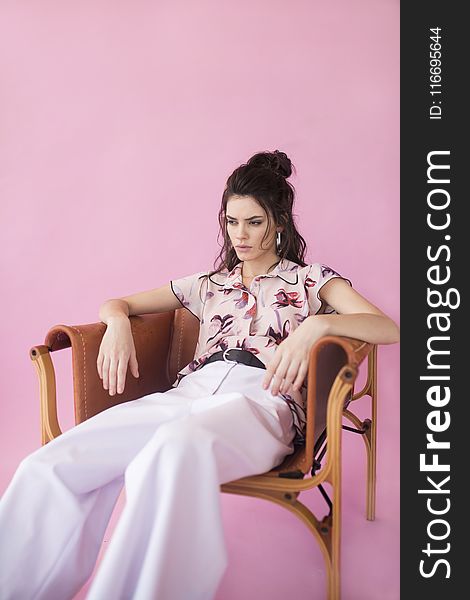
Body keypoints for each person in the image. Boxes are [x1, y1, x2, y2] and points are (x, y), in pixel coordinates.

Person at [0, 150, 400, 600]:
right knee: (54, 462)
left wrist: (319, 323)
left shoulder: (312, 280)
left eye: (253, 222)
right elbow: (120, 303)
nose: (240, 235)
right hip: (188, 392)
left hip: (262, 397)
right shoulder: (209, 283)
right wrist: (115, 325)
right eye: (232, 222)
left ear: (280, 223)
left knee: (173, 449)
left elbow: (386, 327)